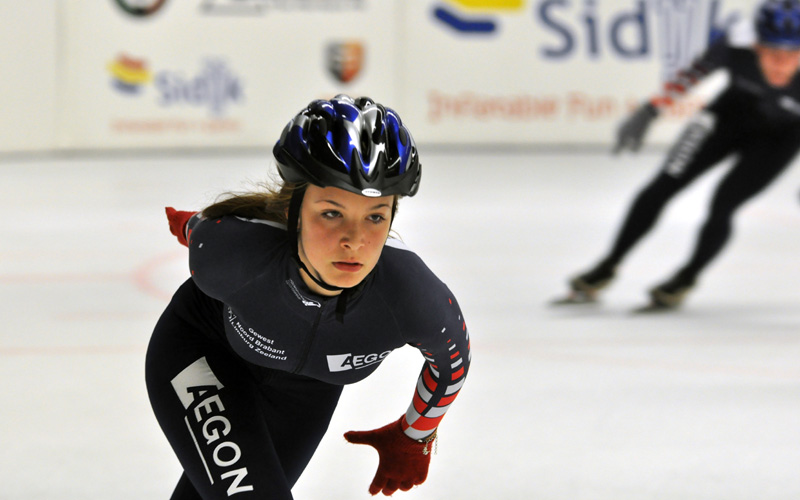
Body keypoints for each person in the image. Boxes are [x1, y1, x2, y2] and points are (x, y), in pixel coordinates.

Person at [145, 94, 471, 499]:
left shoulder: (412, 296)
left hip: (304, 394)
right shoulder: (232, 253)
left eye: (375, 217)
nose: (354, 240)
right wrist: (196, 230)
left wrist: (414, 433)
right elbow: (199, 229)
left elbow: (452, 363)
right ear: (292, 210)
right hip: (204, 351)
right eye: (331, 213)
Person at [558, 0, 800, 309]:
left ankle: (686, 277)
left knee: (723, 204)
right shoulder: (735, 42)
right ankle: (607, 266)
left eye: (792, 56)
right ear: (756, 46)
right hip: (725, 118)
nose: (781, 65)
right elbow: (693, 73)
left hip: (780, 139)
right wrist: (649, 111)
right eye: (772, 54)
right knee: (663, 185)